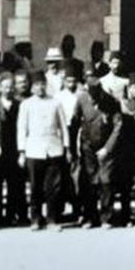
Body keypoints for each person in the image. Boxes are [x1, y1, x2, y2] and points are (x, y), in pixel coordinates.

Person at [17, 71, 70, 231]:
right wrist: (22, 152)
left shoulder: (55, 103)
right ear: (32, 87)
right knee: (35, 187)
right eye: (36, 85)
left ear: (46, 85)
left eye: (42, 84)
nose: (40, 87)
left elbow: (64, 127)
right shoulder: (26, 104)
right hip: (34, 151)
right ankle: (35, 218)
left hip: (53, 150)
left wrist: (67, 148)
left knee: (53, 187)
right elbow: (21, 129)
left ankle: (52, 220)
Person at [75, 72, 122, 229]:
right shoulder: (82, 99)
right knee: (90, 181)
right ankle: (90, 217)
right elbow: (75, 122)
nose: (93, 100)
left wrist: (107, 148)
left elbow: (117, 127)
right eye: (91, 96)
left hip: (106, 147)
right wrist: (74, 148)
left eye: (96, 96)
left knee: (106, 181)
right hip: (88, 147)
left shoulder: (111, 101)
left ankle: (106, 217)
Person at [0, 72, 28, 226]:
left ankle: (11, 214)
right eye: (5, 87)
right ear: (0, 88)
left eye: (11, 87)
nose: (8, 90)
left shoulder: (20, 105)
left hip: (14, 149)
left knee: (15, 183)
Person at [115, 73, 135, 226]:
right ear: (129, 89)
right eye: (134, 87)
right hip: (126, 149)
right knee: (125, 184)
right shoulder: (123, 105)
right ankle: (125, 215)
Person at [55, 65, 82, 221]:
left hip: (77, 134)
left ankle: (77, 209)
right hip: (62, 135)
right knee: (61, 174)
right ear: (64, 81)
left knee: (76, 174)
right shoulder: (58, 97)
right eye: (68, 81)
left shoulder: (81, 95)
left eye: (73, 81)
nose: (71, 84)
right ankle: (59, 210)